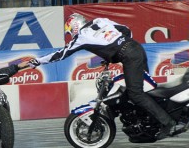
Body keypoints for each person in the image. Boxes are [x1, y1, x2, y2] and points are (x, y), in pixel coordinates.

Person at [25, 14, 177, 139]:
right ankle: (151, 122)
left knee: (135, 94)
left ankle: (168, 123)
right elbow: (126, 30)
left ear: (74, 26)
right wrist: (115, 51)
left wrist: (37, 61)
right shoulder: (100, 21)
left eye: (70, 30)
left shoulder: (82, 36)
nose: (71, 34)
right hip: (136, 48)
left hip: (129, 57)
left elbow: (60, 54)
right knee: (144, 91)